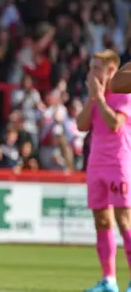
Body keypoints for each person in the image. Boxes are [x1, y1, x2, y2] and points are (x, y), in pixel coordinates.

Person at [77, 50, 131, 292]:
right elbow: (81, 125)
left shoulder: (123, 94)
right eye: (91, 67)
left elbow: (115, 124)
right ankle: (109, 280)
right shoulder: (95, 96)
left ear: (112, 71)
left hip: (118, 163)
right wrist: (93, 98)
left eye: (97, 67)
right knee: (101, 220)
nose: (92, 72)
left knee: (124, 220)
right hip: (96, 163)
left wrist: (98, 97)